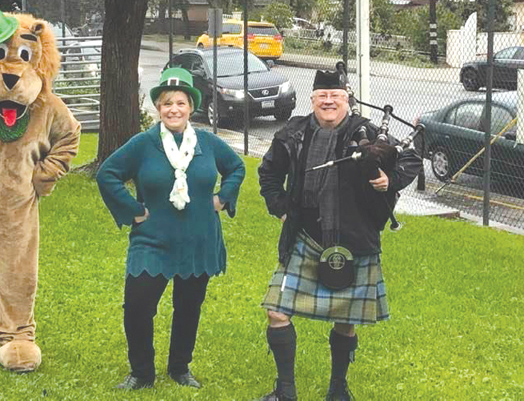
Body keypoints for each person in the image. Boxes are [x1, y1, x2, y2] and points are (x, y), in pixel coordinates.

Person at [255, 69, 422, 401]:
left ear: (347, 99)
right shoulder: (294, 132)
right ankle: (285, 392)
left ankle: (337, 389)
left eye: (336, 96)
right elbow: (269, 173)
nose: (329, 101)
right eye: (322, 96)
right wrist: (281, 208)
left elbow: (411, 159)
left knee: (346, 320)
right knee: (276, 310)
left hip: (354, 239)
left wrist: (389, 181)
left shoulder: (367, 132)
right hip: (304, 237)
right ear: (313, 99)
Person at [96, 67, 246, 391]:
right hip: (152, 241)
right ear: (158, 107)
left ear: (191, 107)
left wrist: (222, 198)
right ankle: (141, 373)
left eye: (180, 103)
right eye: (167, 103)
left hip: (198, 240)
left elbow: (236, 167)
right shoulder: (143, 143)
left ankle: (180, 367)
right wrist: (134, 211)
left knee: (188, 307)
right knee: (137, 306)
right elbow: (107, 174)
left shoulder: (208, 142)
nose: (173, 109)